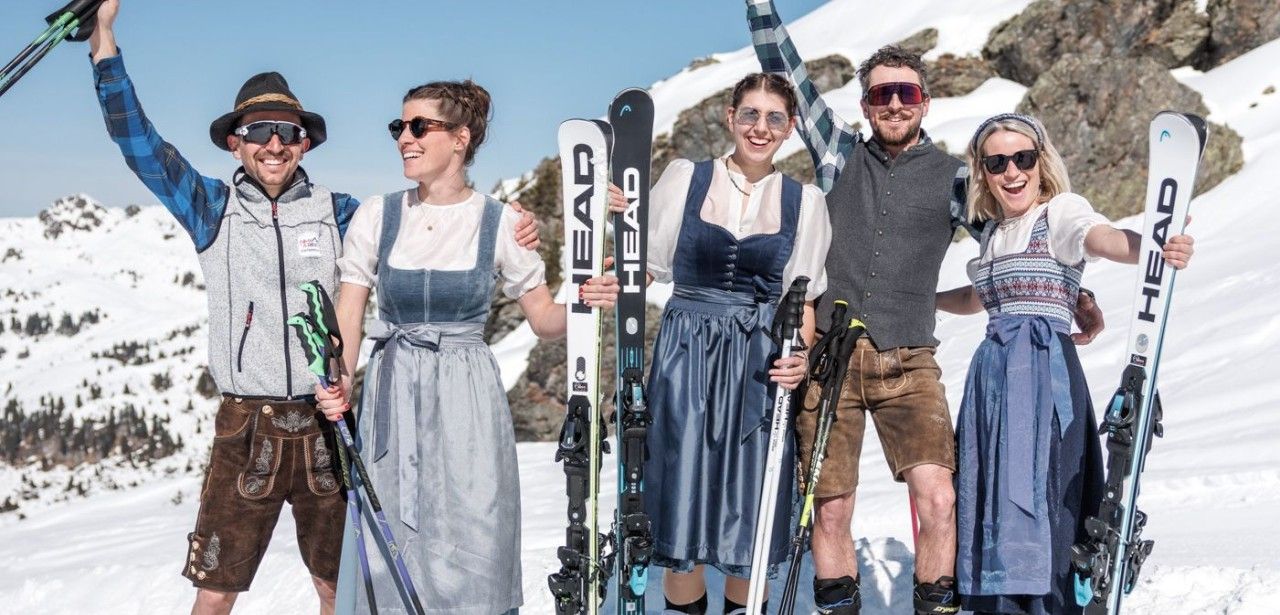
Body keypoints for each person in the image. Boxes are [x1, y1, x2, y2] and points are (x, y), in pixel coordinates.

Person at [86, 4, 538, 613]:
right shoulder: (210, 208)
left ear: (305, 142)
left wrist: (512, 224)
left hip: (329, 424)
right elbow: (138, 144)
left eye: (287, 131)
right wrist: (104, 42)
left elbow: (432, 220)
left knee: (340, 589)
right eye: (257, 131)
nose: (273, 144)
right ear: (233, 140)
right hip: (246, 425)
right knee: (216, 592)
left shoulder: (342, 212)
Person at [743, 3, 1106, 614]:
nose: (893, 103)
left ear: (924, 100)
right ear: (864, 105)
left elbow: (1015, 234)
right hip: (831, 360)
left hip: (910, 361)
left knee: (939, 497)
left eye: (904, 91)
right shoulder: (837, 155)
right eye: (880, 93)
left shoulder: (955, 180)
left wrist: (1077, 290)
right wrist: (760, 8)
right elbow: (787, 69)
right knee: (831, 506)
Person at [314, 80, 619, 615]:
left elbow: (544, 319)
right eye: (398, 127)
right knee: (393, 536)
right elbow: (351, 313)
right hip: (393, 392)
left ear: (460, 138)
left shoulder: (502, 222)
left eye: (418, 127)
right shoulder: (377, 216)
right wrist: (339, 375)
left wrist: (585, 302)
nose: (404, 138)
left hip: (467, 397)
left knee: (474, 528)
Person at [934, 113, 1194, 615]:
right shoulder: (993, 233)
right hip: (991, 379)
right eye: (997, 162)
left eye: (1023, 159)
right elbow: (979, 296)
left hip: (1040, 375)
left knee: (1042, 497)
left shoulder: (1060, 213)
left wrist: (1155, 247)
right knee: (992, 496)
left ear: (1040, 161)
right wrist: (926, 299)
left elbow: (1105, 239)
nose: (1012, 172)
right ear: (983, 172)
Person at [606, 72, 831, 615]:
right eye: (749, 114)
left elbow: (798, 300)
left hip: (758, 365)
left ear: (790, 128)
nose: (760, 127)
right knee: (682, 514)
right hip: (686, 355)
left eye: (774, 118)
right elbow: (648, 268)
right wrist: (615, 224)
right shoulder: (687, 178)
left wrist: (798, 360)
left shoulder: (806, 201)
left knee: (745, 513)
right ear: (730, 118)